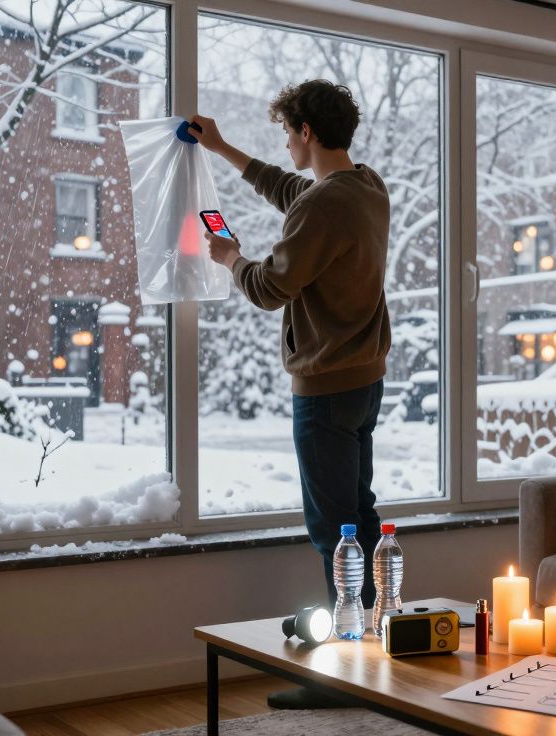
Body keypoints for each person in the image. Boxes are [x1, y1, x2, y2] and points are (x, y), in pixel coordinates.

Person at [189, 81, 391, 707]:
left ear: (306, 131)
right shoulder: (366, 187)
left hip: (325, 389)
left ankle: (344, 675)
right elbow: (293, 193)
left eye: (287, 132)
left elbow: (271, 287)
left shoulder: (324, 206)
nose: (284, 142)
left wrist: (230, 257)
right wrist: (223, 149)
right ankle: (371, 647)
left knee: (333, 528)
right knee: (356, 514)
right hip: (364, 381)